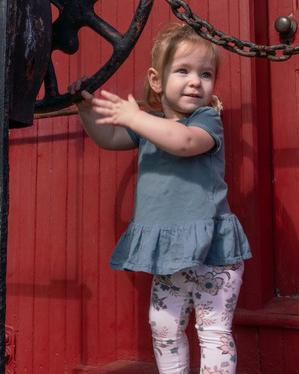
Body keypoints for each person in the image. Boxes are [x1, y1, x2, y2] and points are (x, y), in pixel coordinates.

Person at [68, 23, 252, 374]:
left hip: (211, 253)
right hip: (169, 255)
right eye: (183, 71)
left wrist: (135, 117)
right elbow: (107, 138)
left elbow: (182, 142)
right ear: (156, 80)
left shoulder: (206, 120)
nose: (196, 81)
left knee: (213, 332)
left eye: (206, 73)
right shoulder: (146, 127)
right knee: (163, 327)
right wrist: (84, 109)